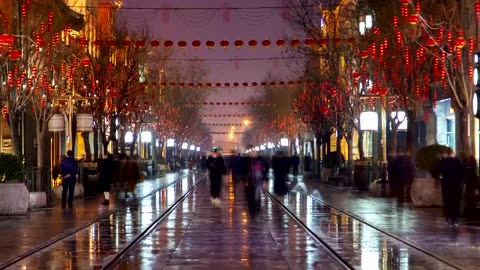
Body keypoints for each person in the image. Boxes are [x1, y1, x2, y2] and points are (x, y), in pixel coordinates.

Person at [438, 150, 466, 228]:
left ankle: (448, 218)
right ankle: (455, 219)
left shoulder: (443, 161)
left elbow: (439, 171)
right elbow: (463, 173)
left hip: (446, 185)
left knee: (447, 202)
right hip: (456, 185)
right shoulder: (458, 162)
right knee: (455, 202)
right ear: (453, 154)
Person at [241, 146, 269, 217]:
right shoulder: (245, 160)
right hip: (249, 181)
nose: (253, 153)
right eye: (251, 152)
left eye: (254, 152)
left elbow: (266, 169)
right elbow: (242, 170)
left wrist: (265, 180)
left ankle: (257, 209)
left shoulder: (261, 160)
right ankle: (252, 212)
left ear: (257, 153)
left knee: (257, 196)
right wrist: (244, 178)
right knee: (250, 197)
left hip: (258, 181)